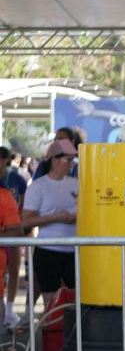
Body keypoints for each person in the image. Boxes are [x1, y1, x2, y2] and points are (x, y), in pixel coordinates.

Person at [21, 139, 78, 308]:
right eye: (68, 160)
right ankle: (52, 333)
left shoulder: (77, 184)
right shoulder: (38, 186)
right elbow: (26, 221)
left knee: (77, 301)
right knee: (51, 303)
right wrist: (56, 217)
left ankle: (71, 334)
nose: (71, 165)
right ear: (54, 160)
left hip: (74, 250)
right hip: (48, 251)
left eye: (73, 160)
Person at [0, 147, 27, 327]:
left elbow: (22, 205)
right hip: (8, 227)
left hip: (10, 226)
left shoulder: (17, 180)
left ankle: (9, 309)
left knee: (15, 269)